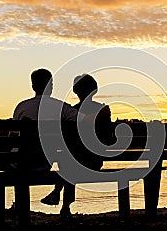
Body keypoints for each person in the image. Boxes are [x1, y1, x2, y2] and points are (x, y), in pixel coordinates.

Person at [40, 74, 113, 214]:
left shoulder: (71, 112)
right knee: (72, 161)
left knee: (69, 161)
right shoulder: (102, 111)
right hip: (95, 161)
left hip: (74, 161)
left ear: (75, 91)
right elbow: (108, 138)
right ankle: (62, 202)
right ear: (95, 90)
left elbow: (64, 140)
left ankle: (62, 200)